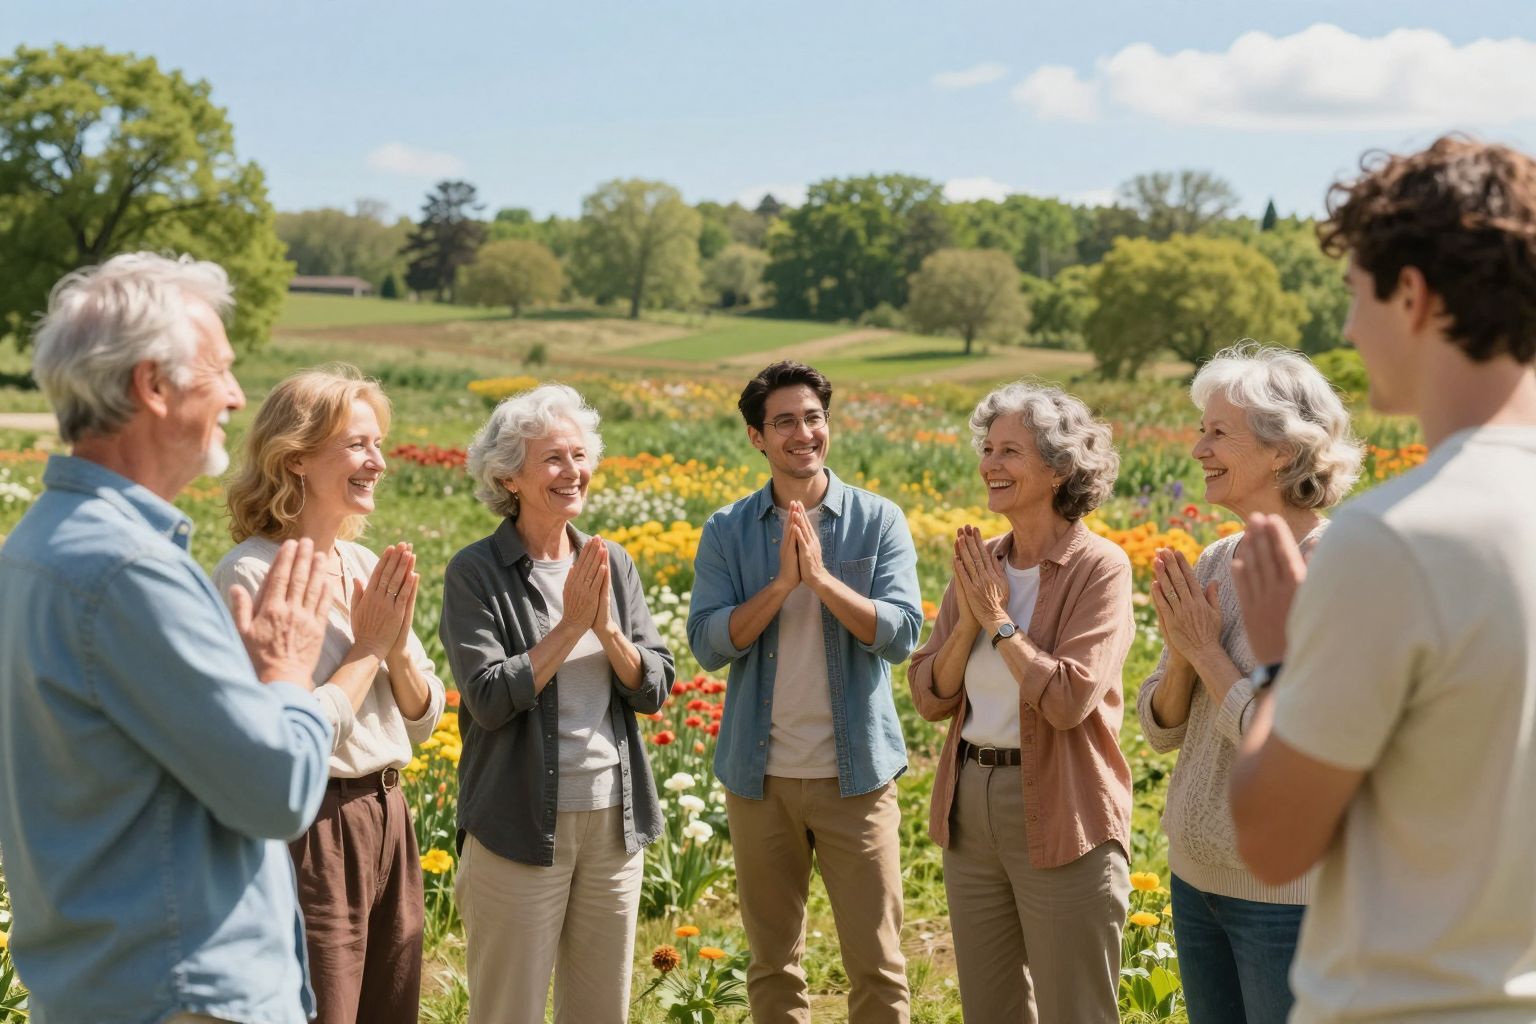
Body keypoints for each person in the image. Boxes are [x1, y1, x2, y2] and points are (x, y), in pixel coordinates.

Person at [1228, 137, 1536, 1023]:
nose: (1352, 331)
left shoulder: (1395, 537)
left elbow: (1275, 838)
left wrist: (1280, 664)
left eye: (1356, 296)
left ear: (1413, 295)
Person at [0, 253, 334, 1024]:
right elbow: (279, 789)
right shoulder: (130, 570)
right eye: (219, 370)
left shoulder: (38, 546)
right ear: (153, 385)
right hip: (183, 996)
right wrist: (287, 674)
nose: (238, 397)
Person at [687, 360, 923, 1024]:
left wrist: (820, 581)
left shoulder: (877, 521)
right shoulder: (727, 530)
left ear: (828, 425)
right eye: (784, 421)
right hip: (758, 780)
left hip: (859, 781)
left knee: (877, 965)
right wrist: (781, 587)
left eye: (813, 418)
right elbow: (707, 643)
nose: (802, 433)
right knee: (771, 964)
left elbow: (902, 633)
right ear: (756, 437)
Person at [213, 366, 446, 1024]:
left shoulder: (364, 565)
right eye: (357, 445)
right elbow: (281, 736)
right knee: (324, 1009)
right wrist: (370, 647)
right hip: (313, 826)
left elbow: (425, 717)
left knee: (389, 1006)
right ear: (295, 457)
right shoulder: (254, 572)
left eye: (378, 445)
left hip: (388, 811)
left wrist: (395, 645)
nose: (377, 461)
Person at [1135, 345, 1360, 1024]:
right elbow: (1159, 728)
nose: (1198, 446)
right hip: (1193, 877)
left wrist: (1205, 652)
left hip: (1285, 899)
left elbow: (1298, 744)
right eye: (1201, 429)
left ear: (1282, 451)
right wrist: (1180, 657)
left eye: (1218, 432)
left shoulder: (1336, 569)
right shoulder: (1215, 558)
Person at [440, 383, 673, 1024]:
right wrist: (570, 627)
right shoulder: (475, 572)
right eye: (553, 459)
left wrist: (608, 631)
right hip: (517, 825)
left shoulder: (611, 561)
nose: (573, 473)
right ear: (508, 477)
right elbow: (486, 697)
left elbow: (654, 685)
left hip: (612, 823)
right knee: (507, 1009)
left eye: (579, 456)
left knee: (601, 1011)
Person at [908, 382, 1134, 1024]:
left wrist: (1001, 625)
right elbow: (928, 695)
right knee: (991, 1008)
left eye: (1009, 450)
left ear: (1060, 467)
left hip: (1063, 807)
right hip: (969, 805)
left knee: (1075, 1009)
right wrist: (968, 622)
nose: (989, 465)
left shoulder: (1101, 568)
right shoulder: (981, 563)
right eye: (987, 448)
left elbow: (1066, 699)